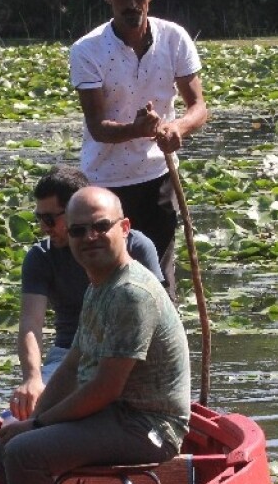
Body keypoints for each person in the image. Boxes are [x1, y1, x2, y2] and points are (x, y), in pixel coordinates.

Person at [0, 187, 191, 484]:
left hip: (149, 427)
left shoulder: (131, 292)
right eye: (78, 231)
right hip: (115, 416)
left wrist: (37, 425)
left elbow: (105, 388)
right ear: (67, 235)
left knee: (22, 453)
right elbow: (72, 365)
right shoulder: (98, 284)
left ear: (124, 228)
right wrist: (34, 419)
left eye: (101, 226)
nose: (90, 237)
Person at [68, 0, 210, 296]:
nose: (131, 4)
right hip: (106, 183)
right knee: (109, 282)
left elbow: (198, 107)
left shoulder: (174, 38)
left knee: (161, 282)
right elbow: (99, 128)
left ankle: (166, 349)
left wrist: (177, 128)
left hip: (158, 176)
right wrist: (138, 129)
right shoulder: (87, 50)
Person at [11, 165, 164, 421]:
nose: (43, 227)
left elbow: (158, 315)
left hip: (128, 354)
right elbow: (31, 324)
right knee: (16, 422)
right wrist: (32, 378)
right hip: (67, 356)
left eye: (50, 219)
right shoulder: (42, 257)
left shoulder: (135, 247)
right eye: (39, 218)